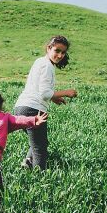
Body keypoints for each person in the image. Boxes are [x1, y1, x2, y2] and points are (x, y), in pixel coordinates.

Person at [14, 35, 77, 170]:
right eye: (57, 51)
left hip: (21, 107)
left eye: (63, 52)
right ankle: (38, 177)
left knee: (39, 141)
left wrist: (54, 98)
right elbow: (44, 93)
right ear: (48, 48)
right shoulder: (47, 66)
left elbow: (41, 90)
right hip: (33, 109)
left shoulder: (40, 61)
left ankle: (28, 163)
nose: (60, 55)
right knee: (40, 146)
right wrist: (66, 92)